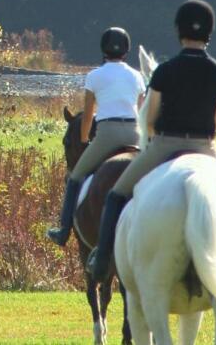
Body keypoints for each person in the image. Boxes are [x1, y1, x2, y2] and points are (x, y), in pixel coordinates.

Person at [86, 0, 216, 282]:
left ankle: (102, 257)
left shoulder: (164, 72)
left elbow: (151, 118)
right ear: (209, 32)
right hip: (206, 147)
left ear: (180, 32)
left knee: (116, 195)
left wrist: (159, 140)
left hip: (164, 145)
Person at [46, 27, 146, 246]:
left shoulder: (94, 76)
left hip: (107, 133)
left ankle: (63, 231)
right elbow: (140, 109)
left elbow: (88, 114)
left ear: (104, 49)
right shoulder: (137, 76)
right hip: (135, 133)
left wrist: (83, 141)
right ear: (126, 50)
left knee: (75, 177)